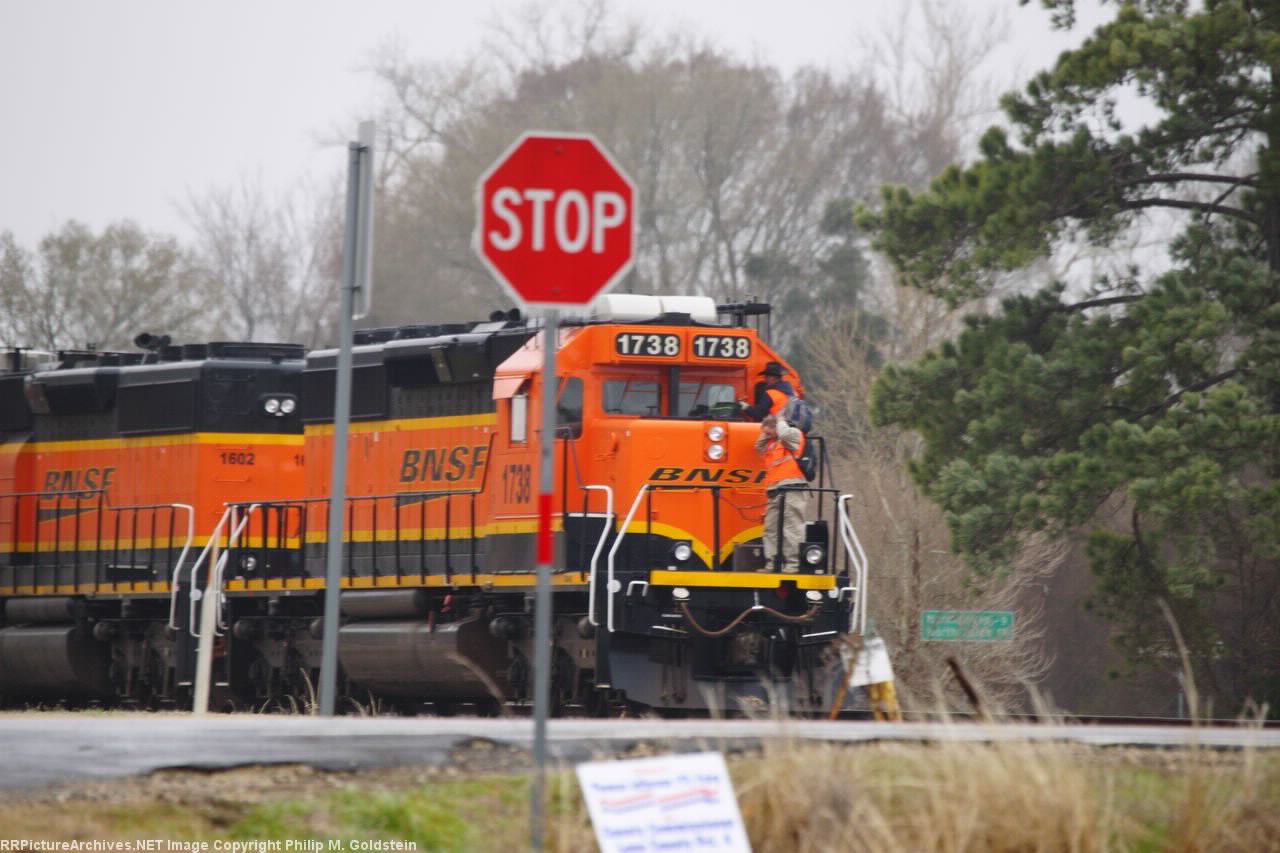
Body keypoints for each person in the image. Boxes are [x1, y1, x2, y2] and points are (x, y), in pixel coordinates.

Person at [754, 413, 807, 572]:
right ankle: (772, 564)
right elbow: (758, 446)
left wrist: (780, 420)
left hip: (792, 488)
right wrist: (767, 431)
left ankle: (792, 565)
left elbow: (784, 433)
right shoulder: (771, 444)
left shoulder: (794, 435)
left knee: (791, 527)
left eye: (769, 430)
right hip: (774, 490)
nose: (766, 433)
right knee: (771, 529)